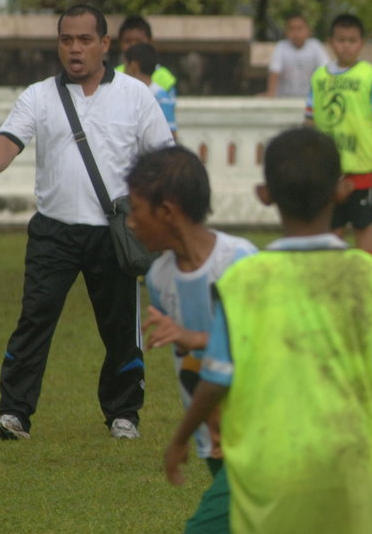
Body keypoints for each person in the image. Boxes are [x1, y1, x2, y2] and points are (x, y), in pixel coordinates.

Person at [163, 127, 372, 533]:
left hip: (267, 473)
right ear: (343, 190)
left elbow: (216, 379)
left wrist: (179, 439)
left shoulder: (244, 281)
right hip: (349, 474)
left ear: (264, 195)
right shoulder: (369, 278)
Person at [0, 4, 174, 441]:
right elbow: (7, 141)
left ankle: (123, 414)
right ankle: (14, 414)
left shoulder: (135, 95)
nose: (75, 49)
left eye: (85, 39)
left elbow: (165, 159)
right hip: (53, 231)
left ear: (105, 45)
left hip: (115, 233)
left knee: (119, 330)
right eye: (66, 39)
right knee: (35, 320)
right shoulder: (38, 95)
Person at [125, 145, 257, 531]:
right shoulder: (159, 276)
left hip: (257, 438)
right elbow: (194, 364)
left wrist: (191, 336)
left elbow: (261, 344)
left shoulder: (239, 261)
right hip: (212, 438)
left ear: (167, 212)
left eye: (136, 209)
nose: (130, 223)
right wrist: (210, 421)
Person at [305, 13, 372, 255]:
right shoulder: (319, 77)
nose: (346, 45)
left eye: (352, 40)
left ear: (361, 43)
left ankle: (367, 285)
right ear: (330, 41)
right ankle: (336, 285)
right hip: (328, 170)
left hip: (362, 169)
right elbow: (309, 121)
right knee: (332, 231)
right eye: (341, 40)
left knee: (363, 227)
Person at [116, 15, 178, 134]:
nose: (133, 46)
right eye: (128, 41)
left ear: (150, 42)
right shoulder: (114, 74)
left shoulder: (165, 78)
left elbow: (169, 118)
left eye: (138, 41)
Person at [261, 13, 329, 98]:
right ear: (286, 32)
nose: (296, 33)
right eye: (292, 29)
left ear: (308, 30)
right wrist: (271, 93)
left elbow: (326, 70)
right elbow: (274, 71)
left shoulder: (315, 46)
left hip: (310, 99)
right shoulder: (281, 47)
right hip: (284, 99)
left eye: (300, 28)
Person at [125, 42, 178, 138]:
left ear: (133, 65)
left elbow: (170, 133)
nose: (124, 71)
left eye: (126, 66)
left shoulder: (157, 96)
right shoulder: (162, 95)